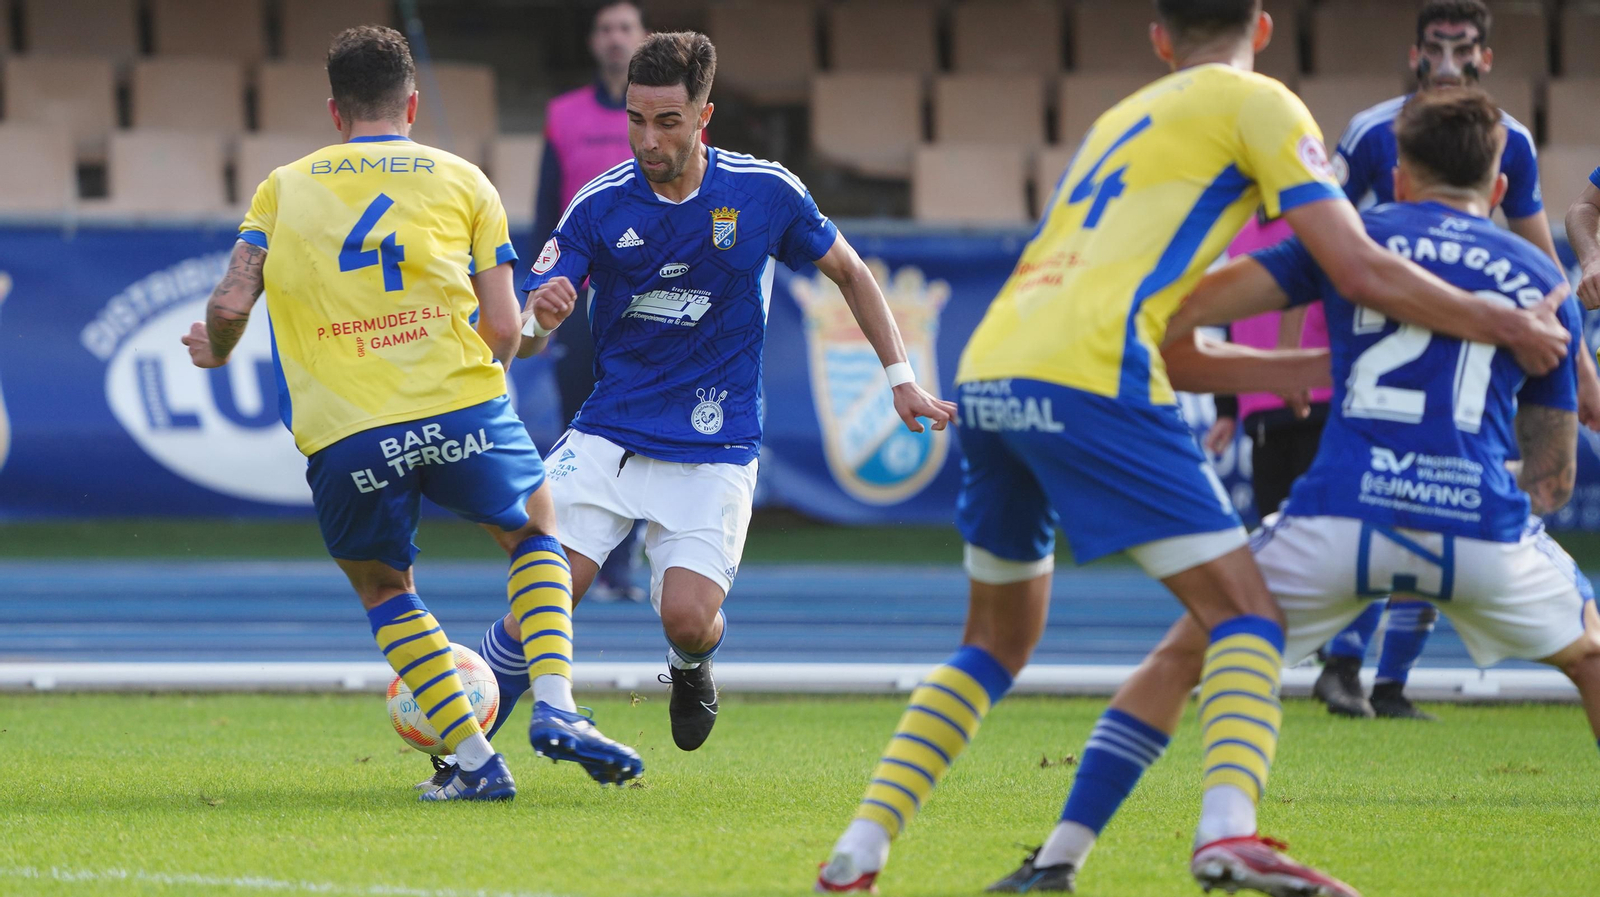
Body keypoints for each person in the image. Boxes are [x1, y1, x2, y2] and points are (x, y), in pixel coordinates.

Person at [816, 2, 1572, 894]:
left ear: (1159, 38)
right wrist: (1503, 320)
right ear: (1261, 26)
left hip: (992, 366)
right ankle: (1228, 831)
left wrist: (1299, 363)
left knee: (993, 643)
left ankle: (858, 853)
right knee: (1247, 612)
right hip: (1097, 371)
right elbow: (1357, 266)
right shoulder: (1264, 104)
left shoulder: (1117, 118)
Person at [1028, 86, 1599, 896]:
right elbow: (1553, 478)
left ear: (1398, 177)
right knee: (1591, 655)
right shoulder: (1539, 279)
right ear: (1501, 189)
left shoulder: (1351, 239)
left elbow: (1175, 326)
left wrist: (1294, 371)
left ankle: (1059, 859)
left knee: (1184, 652)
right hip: (1479, 528)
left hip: (1340, 513)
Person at [464, 31, 955, 762]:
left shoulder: (764, 192)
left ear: (704, 117)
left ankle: (692, 667)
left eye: (666, 121)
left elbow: (849, 271)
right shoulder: (598, 205)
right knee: (544, 597)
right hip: (609, 432)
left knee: (688, 619)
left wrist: (900, 376)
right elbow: (523, 334)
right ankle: (462, 758)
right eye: (636, 118)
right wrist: (541, 321)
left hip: (713, 443)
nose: (647, 138)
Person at [182, 25, 642, 802]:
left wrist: (219, 347)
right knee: (534, 531)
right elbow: (503, 327)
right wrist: (484, 383)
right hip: (463, 405)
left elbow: (231, 300)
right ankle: (557, 707)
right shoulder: (467, 180)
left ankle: (472, 759)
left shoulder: (283, 188)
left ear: (335, 112)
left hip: (348, 432)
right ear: (413, 103)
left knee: (384, 584)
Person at [1322, 0, 1600, 720]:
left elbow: (1312, 248)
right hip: (1399, 350)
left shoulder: (1508, 139)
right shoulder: (1372, 133)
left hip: (1458, 360)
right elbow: (1327, 244)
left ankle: (1376, 679)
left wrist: (1582, 362)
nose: (1451, 64)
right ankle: (1349, 663)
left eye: (1465, 48)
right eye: (1437, 49)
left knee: (1244, 603)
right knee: (1438, 510)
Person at [534, 0, 653, 604]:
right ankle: (566, 557)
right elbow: (543, 217)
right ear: (591, 42)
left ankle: (623, 564)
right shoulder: (562, 115)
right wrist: (537, 303)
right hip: (577, 303)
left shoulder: (675, 119)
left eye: (625, 29)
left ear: (644, 39)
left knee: (640, 431)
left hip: (652, 301)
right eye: (605, 29)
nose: (614, 39)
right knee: (576, 431)